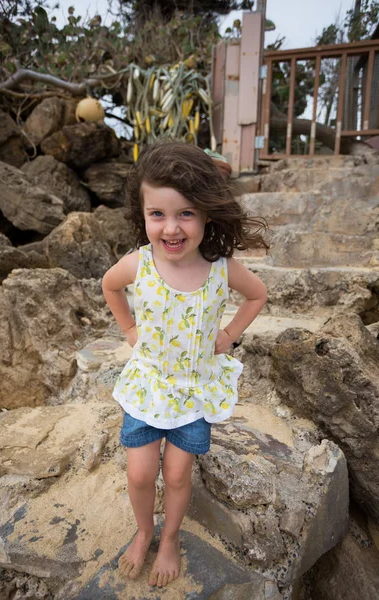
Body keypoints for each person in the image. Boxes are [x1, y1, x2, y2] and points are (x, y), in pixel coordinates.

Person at [102, 140, 268, 588]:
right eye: (158, 214)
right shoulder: (140, 263)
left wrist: (229, 335)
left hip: (194, 389)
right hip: (148, 386)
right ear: (143, 215)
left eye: (186, 214)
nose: (171, 228)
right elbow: (109, 285)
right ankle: (144, 531)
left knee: (177, 473)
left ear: (207, 214)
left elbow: (258, 295)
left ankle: (170, 537)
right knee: (139, 472)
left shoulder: (220, 268)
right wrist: (130, 331)